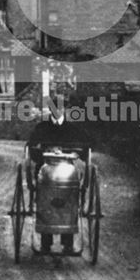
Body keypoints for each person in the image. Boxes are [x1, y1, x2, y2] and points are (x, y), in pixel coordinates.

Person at [27, 107, 90, 255]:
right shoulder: (42, 128)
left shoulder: (72, 128)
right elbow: (32, 149)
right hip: (46, 167)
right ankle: (45, 243)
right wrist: (43, 154)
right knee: (45, 203)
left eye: (60, 108)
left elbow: (85, 149)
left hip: (67, 169)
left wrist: (75, 152)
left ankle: (67, 244)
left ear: (64, 110)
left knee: (69, 202)